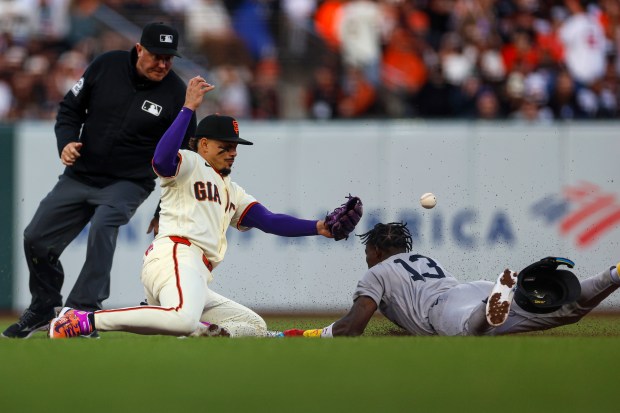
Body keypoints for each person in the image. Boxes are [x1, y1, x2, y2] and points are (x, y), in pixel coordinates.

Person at [47, 76, 361, 339]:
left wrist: (318, 227)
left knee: (253, 326)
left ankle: (196, 329)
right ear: (203, 143)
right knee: (182, 319)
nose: (232, 152)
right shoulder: (190, 162)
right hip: (175, 255)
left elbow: (268, 220)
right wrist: (187, 108)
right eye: (225, 145)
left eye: (236, 147)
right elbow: (161, 160)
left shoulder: (232, 190)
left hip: (196, 273)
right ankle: (81, 319)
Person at [2, 22, 195, 339]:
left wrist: (164, 208)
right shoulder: (106, 65)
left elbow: (186, 159)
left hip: (129, 182)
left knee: (105, 224)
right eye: (157, 56)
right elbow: (69, 109)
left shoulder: (176, 94)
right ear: (139, 50)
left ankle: (83, 312)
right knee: (36, 238)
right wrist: (66, 141)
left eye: (169, 58)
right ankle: (43, 306)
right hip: (81, 175)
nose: (163, 64)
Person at [279, 222, 620, 337]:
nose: (365, 256)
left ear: (380, 249)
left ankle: (494, 301)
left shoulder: (377, 271)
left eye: (368, 249)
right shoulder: (424, 259)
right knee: (566, 311)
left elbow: (354, 326)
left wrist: (319, 333)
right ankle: (613, 275)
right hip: (470, 288)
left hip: (445, 308)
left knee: (468, 332)